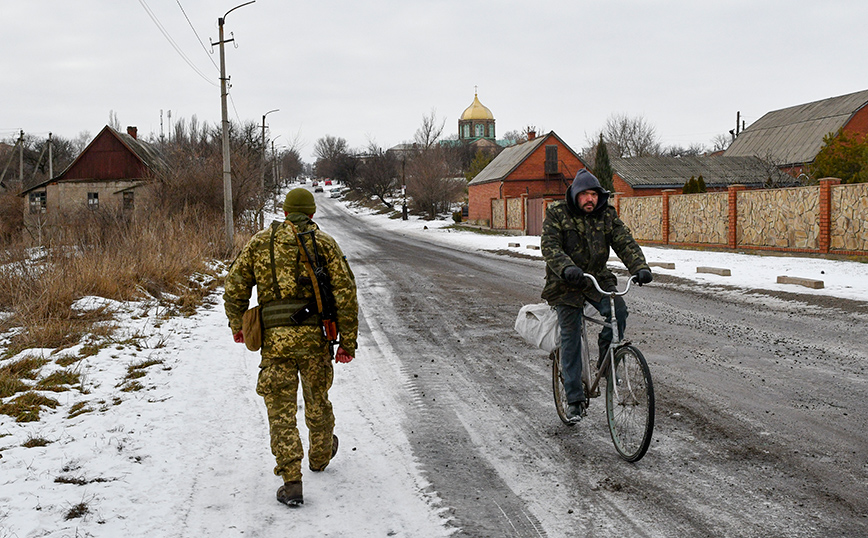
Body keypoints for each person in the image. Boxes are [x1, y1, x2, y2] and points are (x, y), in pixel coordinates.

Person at [223, 188, 358, 507]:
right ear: (312, 213)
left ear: (284, 212)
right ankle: (321, 456)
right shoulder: (323, 242)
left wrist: (237, 325)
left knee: (280, 409)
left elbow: (234, 287)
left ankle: (292, 481)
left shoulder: (260, 242)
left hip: (275, 341)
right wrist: (347, 343)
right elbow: (345, 294)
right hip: (314, 339)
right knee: (317, 399)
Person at [540, 169, 652, 423]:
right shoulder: (558, 214)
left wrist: (640, 267)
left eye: (593, 194)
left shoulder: (606, 215)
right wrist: (566, 268)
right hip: (565, 282)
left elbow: (624, 242)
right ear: (575, 195)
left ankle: (607, 359)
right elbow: (550, 246)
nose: (589, 199)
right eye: (584, 194)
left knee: (618, 312)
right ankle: (575, 401)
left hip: (596, 279)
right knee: (571, 336)